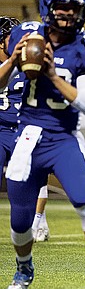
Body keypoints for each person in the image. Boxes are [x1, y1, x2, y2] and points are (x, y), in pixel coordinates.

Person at [0, 0, 85, 289]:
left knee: (84, 200)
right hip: (28, 138)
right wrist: (14, 60)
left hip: (63, 138)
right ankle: (24, 267)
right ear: (48, 7)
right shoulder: (27, 37)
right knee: (20, 220)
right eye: (62, 6)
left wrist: (53, 75)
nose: (68, 13)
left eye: (74, 7)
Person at [0, 16, 51, 243]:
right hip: (0, 130)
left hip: (23, 129)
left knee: (33, 176)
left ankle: (38, 219)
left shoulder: (30, 64)